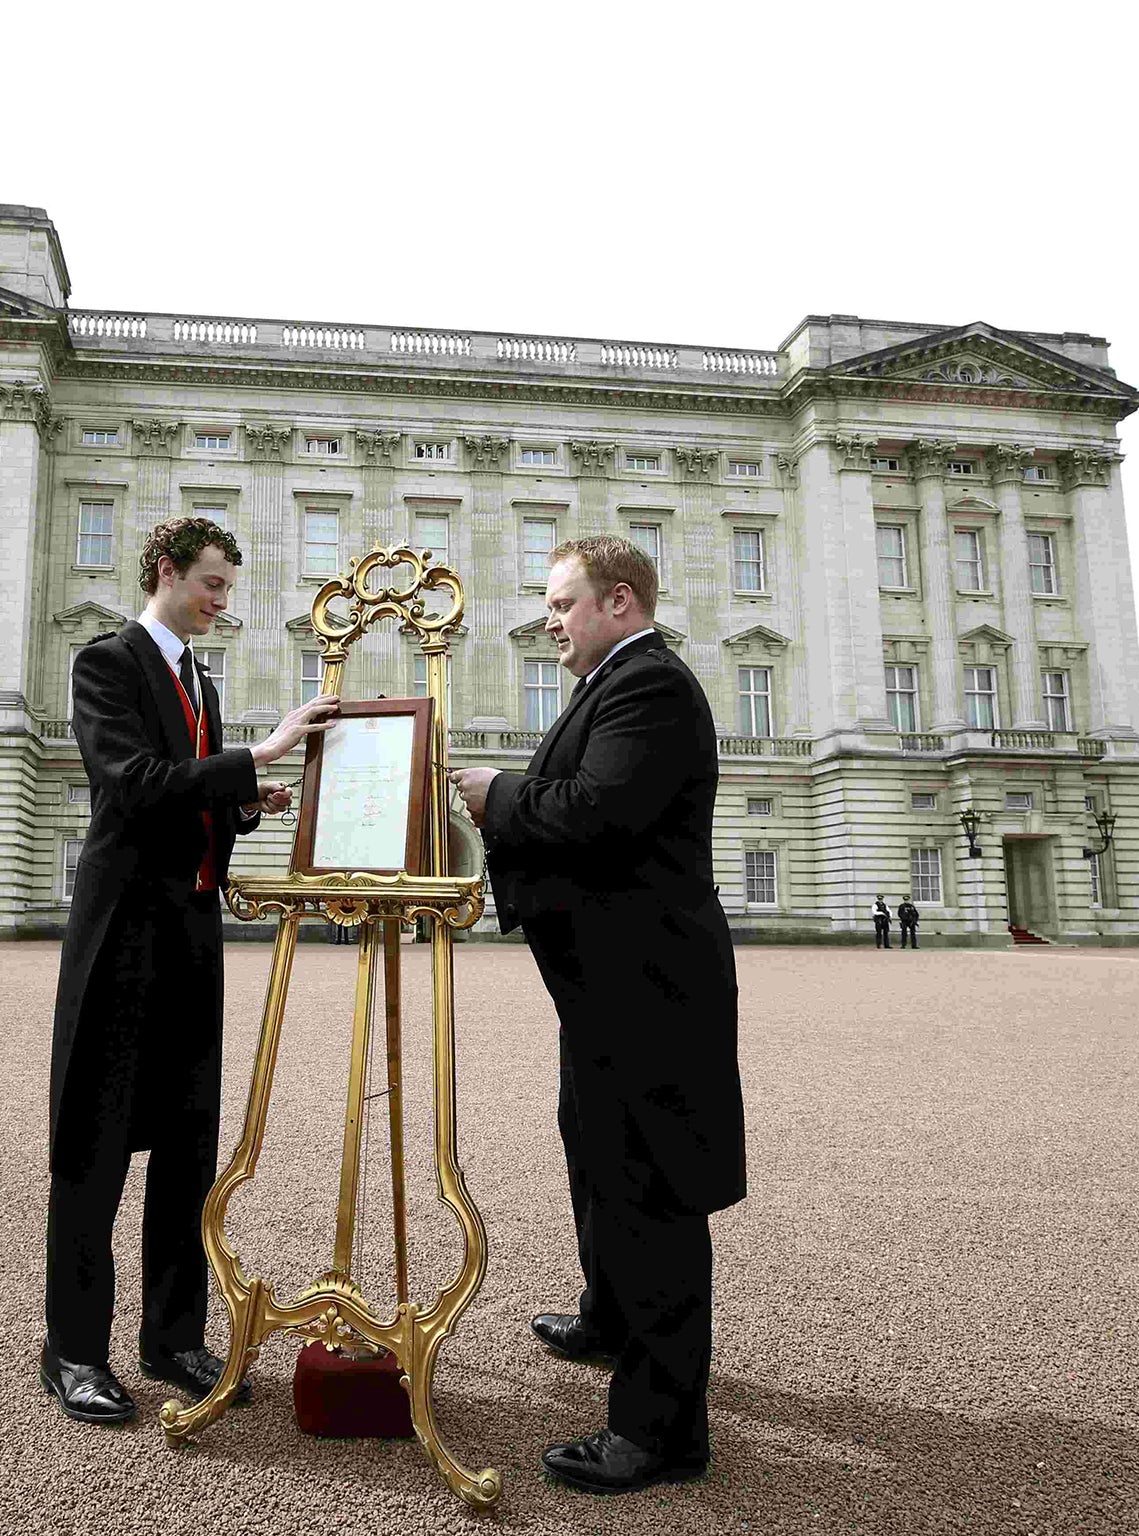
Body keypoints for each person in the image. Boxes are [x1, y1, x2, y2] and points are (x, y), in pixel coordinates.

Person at [449, 535, 745, 1494]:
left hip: (649, 991)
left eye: (563, 603)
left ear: (620, 602)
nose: (550, 620)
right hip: (610, 986)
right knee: (593, 1152)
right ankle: (610, 1318)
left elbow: (596, 812)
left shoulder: (651, 686)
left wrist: (498, 797)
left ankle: (660, 1433)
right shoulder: (610, 685)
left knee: (646, 1193)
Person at [42, 516, 339, 1425]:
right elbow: (130, 784)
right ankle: (73, 1350)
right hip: (121, 936)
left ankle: (171, 1337)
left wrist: (249, 800)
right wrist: (257, 755)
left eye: (226, 588)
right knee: (93, 1147)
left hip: (188, 935)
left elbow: (189, 800)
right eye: (211, 584)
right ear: (166, 572)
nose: (220, 602)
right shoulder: (107, 663)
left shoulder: (198, 679)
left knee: (186, 1147)